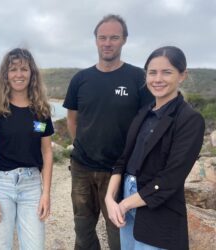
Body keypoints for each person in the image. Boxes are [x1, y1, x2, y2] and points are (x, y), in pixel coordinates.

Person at [63, 14, 154, 250]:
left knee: (119, 234)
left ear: (124, 40)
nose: (107, 43)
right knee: (82, 230)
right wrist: (80, 145)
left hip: (119, 171)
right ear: (95, 40)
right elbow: (72, 118)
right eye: (102, 37)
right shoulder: (80, 79)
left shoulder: (138, 79)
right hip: (82, 169)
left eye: (114, 37)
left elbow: (148, 124)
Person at [105, 46, 205, 250]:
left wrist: (125, 204)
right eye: (152, 72)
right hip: (127, 197)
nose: (158, 79)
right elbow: (122, 161)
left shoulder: (189, 120)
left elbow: (170, 179)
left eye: (166, 72)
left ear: (182, 75)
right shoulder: (143, 113)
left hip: (158, 207)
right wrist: (109, 198)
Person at [0, 48, 54, 249]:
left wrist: (45, 193)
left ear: (32, 73)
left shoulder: (41, 110)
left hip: (31, 186)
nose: (19, 74)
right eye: (13, 69)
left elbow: (47, 152)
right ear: (6, 75)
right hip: (1, 185)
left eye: (24, 69)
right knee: (1, 246)